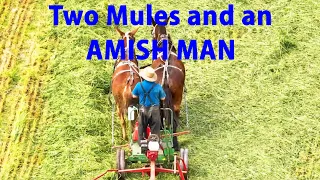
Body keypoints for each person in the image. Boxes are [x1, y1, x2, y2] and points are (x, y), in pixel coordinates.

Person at [132, 66, 166, 144]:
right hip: (154, 110)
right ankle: (154, 143)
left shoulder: (139, 85)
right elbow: (163, 98)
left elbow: (134, 96)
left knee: (141, 126)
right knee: (155, 127)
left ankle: (141, 142)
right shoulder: (157, 86)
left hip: (142, 109)